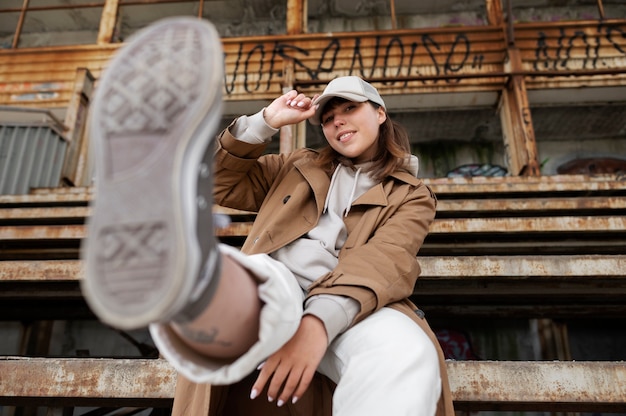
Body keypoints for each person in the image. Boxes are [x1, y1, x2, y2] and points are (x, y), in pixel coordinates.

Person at [81, 16, 454, 416]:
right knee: (258, 280)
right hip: (279, 284)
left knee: (408, 351)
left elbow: (384, 260)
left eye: (349, 108)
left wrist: (317, 323)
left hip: (351, 303)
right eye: (327, 118)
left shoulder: (413, 194)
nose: (337, 121)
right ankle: (199, 281)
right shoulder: (298, 165)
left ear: (380, 113)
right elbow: (219, 182)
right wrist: (265, 122)